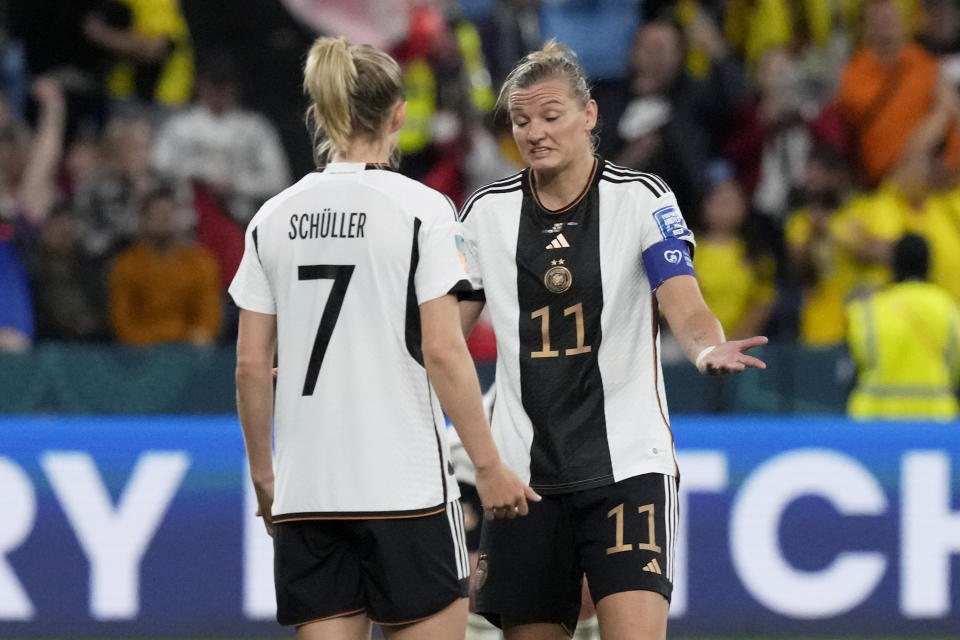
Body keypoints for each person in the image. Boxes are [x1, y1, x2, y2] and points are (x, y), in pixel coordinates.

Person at [228, 37, 537, 640]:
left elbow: (248, 367)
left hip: (308, 492)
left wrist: (266, 480)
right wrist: (488, 464)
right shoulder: (421, 209)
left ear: (319, 114)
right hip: (404, 487)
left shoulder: (272, 218)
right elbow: (444, 349)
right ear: (399, 115)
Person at [458, 41, 767, 640]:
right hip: (523, 476)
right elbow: (439, 338)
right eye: (522, 121)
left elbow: (685, 301)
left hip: (627, 465)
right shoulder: (484, 213)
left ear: (590, 115)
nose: (534, 133)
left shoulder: (641, 199)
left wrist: (707, 347)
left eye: (551, 117)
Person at [846, 233, 960, 420]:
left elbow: (860, 357)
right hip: (936, 420)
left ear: (893, 265)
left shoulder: (869, 310)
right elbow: (956, 365)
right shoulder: (949, 308)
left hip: (877, 419)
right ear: (929, 266)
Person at [108, 185, 221, 346]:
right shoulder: (126, 265)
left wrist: (200, 336)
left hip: (188, 353)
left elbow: (209, 317)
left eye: (169, 214)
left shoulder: (201, 262)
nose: (164, 220)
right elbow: (123, 322)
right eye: (157, 214)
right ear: (143, 219)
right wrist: (144, 343)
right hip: (141, 356)